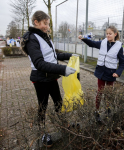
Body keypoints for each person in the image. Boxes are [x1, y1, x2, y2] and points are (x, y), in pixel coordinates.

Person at [21, 10, 78, 147]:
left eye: (48, 23)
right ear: (36, 22)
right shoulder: (32, 38)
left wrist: (70, 55)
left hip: (51, 76)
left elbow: (52, 56)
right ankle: (43, 133)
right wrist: (63, 69)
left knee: (58, 102)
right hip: (40, 79)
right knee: (43, 107)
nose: (47, 26)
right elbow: (40, 63)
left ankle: (64, 124)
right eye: (45, 23)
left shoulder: (45, 36)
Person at [78, 25, 124, 123]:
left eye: (110, 34)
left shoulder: (119, 47)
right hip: (101, 72)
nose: (108, 35)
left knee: (108, 93)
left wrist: (118, 73)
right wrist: (83, 39)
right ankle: (97, 111)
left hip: (111, 73)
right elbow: (92, 43)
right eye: (107, 34)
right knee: (100, 92)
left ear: (115, 34)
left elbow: (122, 63)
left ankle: (108, 109)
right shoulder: (103, 43)